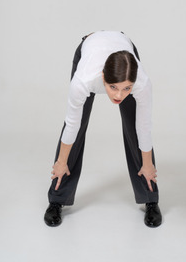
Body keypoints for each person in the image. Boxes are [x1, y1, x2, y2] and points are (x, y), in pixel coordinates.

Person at [44, 31, 162, 228]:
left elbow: (144, 127)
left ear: (133, 82)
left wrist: (148, 164)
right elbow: (72, 124)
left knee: (135, 126)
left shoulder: (142, 83)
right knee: (77, 125)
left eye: (126, 88)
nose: (119, 95)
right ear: (103, 77)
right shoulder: (83, 81)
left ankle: (151, 199)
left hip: (124, 46)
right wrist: (61, 162)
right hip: (89, 47)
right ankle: (56, 200)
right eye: (113, 87)